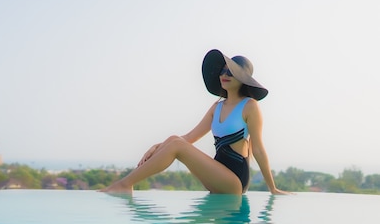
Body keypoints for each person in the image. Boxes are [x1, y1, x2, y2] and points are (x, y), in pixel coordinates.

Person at [102, 49, 288, 196]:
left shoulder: (250, 106)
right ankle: (125, 184)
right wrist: (157, 147)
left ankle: (125, 184)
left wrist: (272, 188)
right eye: (223, 70)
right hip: (216, 174)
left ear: (242, 79)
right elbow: (190, 137)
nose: (225, 74)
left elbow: (258, 150)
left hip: (235, 181)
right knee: (175, 140)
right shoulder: (217, 107)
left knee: (177, 145)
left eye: (231, 72)